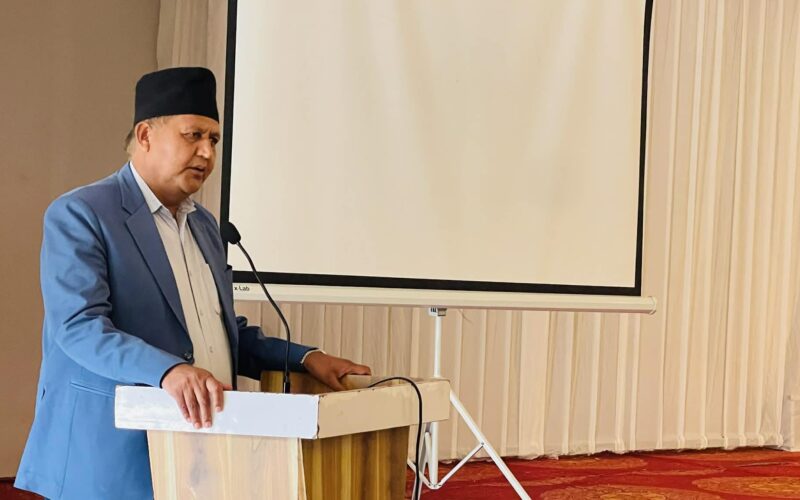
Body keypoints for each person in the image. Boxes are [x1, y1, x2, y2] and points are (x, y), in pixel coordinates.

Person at [15, 67, 371, 500]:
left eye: (214, 140)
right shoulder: (82, 213)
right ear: (145, 135)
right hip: (109, 456)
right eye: (193, 136)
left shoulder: (204, 225)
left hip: (201, 453)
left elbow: (220, 332)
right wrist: (168, 371)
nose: (207, 152)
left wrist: (307, 358)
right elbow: (78, 328)